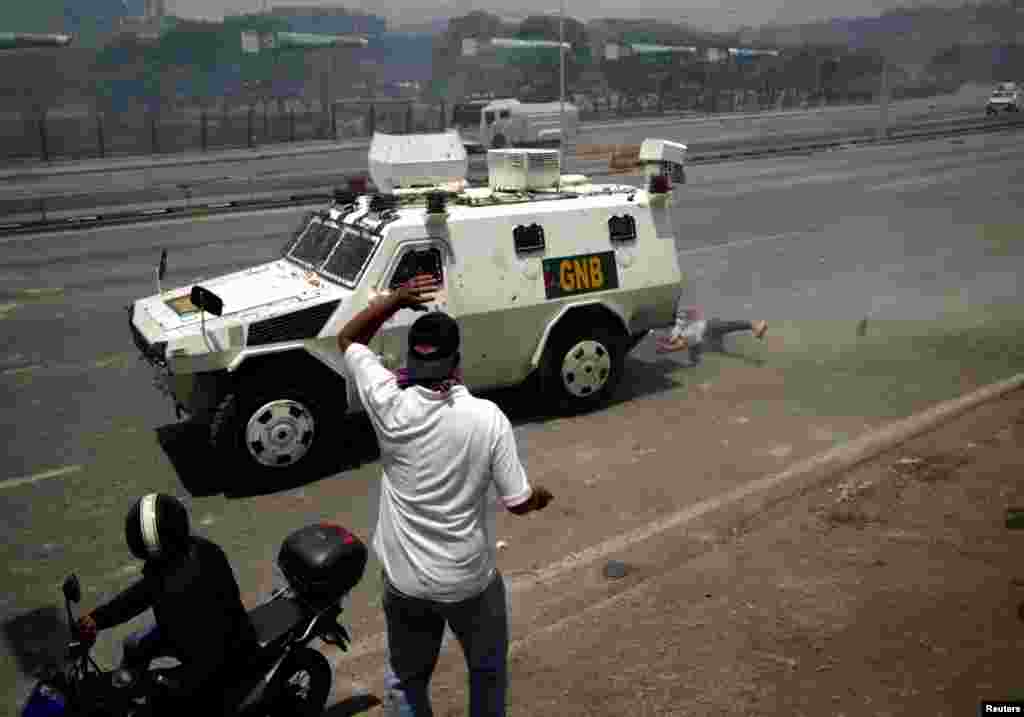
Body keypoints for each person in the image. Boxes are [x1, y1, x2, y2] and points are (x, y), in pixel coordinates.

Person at [337, 274, 554, 717]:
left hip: (405, 580)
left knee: (407, 678)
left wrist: (394, 301)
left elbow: (348, 338)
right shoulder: (486, 418)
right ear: (456, 360)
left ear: (408, 360)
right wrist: (540, 496)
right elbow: (517, 501)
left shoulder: (387, 402)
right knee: (487, 671)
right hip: (467, 580)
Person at [74, 493, 258, 714]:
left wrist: (146, 682)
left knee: (160, 697)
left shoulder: (185, 576)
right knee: (134, 645)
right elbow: (141, 594)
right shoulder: (184, 553)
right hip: (186, 635)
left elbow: (140, 597)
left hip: (220, 655)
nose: (151, 559)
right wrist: (97, 619)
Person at [656, 302, 768, 364]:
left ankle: (755, 326)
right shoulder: (676, 331)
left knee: (729, 327)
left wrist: (666, 349)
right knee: (698, 350)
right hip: (705, 332)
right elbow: (682, 344)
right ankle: (755, 327)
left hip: (707, 328)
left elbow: (681, 344)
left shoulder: (678, 329)